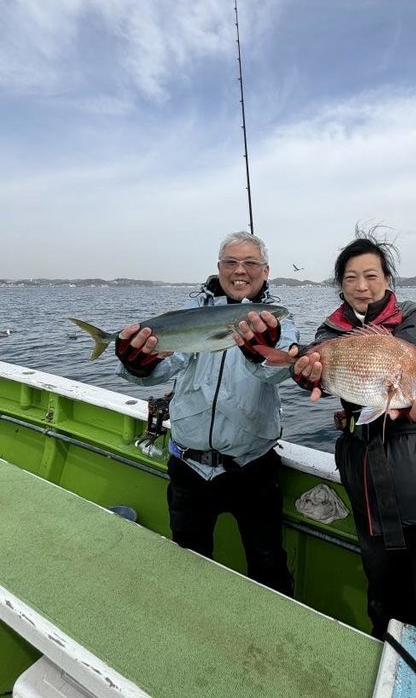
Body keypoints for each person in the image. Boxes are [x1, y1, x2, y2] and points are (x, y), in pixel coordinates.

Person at [290, 230, 416, 652]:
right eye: (351, 278)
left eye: (372, 276)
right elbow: (315, 366)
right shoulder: (329, 332)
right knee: (386, 608)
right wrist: (301, 370)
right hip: (367, 486)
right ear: (340, 285)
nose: (363, 286)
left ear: (388, 279)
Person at [114, 231, 298, 596]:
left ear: (266, 270)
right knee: (187, 561)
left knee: (268, 566)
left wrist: (263, 351)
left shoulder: (277, 319)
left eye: (250, 263)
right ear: (219, 268)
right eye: (231, 262)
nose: (240, 270)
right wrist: (138, 365)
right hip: (188, 465)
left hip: (252, 467)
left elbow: (279, 371)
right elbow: (164, 369)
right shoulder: (192, 312)